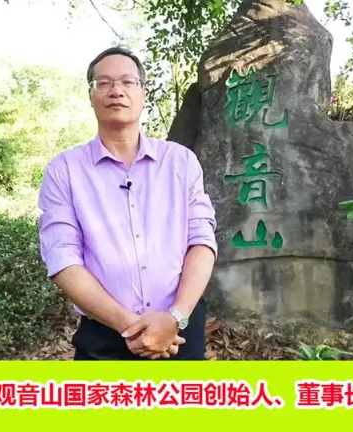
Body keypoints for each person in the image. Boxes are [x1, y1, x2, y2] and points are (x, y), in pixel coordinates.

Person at [37, 46, 218, 360]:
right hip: (104, 335)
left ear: (143, 93)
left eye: (127, 82)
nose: (116, 91)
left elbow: (201, 241)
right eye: (104, 83)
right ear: (91, 95)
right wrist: (131, 327)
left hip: (179, 329)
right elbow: (62, 258)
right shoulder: (64, 170)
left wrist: (174, 318)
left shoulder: (181, 161)